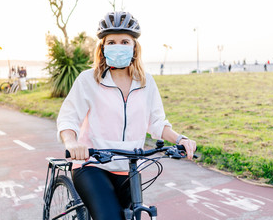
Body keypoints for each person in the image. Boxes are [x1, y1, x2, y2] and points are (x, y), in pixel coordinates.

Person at [56, 11, 197, 220]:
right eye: (111, 42)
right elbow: (68, 118)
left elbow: (157, 123)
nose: (118, 46)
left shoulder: (146, 82)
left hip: (130, 167)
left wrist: (180, 139)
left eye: (124, 41)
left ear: (134, 47)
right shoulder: (88, 80)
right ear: (102, 48)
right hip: (92, 165)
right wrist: (72, 143)